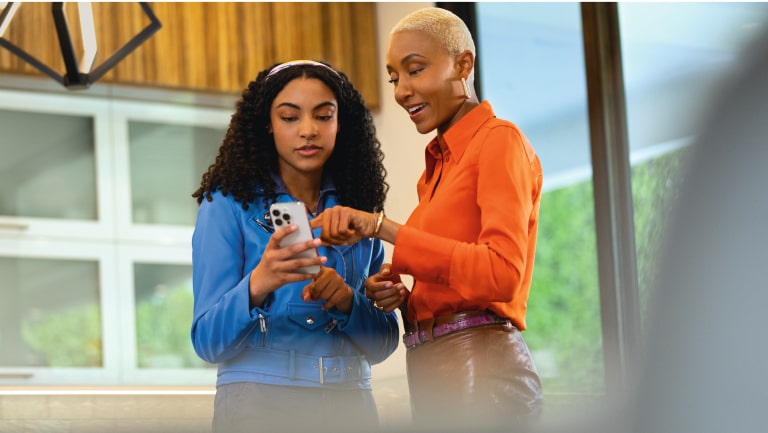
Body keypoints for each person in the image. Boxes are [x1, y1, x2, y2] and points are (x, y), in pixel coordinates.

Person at [311, 7, 544, 430]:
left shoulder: (499, 141)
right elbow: (455, 269)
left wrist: (383, 228)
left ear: (463, 64)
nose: (401, 91)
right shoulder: (436, 170)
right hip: (438, 364)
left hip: (479, 368)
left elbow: (502, 273)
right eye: (394, 78)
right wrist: (405, 293)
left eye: (414, 70)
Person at [190, 60, 399, 433]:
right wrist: (259, 283)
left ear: (340, 123)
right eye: (290, 117)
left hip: (352, 404)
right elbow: (207, 342)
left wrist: (350, 302)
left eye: (324, 116)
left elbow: (384, 345)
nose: (308, 131)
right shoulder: (227, 204)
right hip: (259, 406)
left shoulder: (360, 211)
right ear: (267, 124)